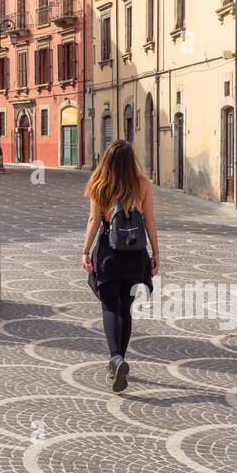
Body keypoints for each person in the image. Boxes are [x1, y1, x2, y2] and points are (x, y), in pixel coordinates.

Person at [82, 139, 159, 392]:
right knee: (125, 309)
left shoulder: (100, 184)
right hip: (135, 255)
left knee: (110, 307)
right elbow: (149, 220)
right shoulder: (143, 184)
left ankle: (115, 357)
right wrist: (155, 254)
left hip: (108, 254)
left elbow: (95, 219)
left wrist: (85, 250)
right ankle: (120, 359)